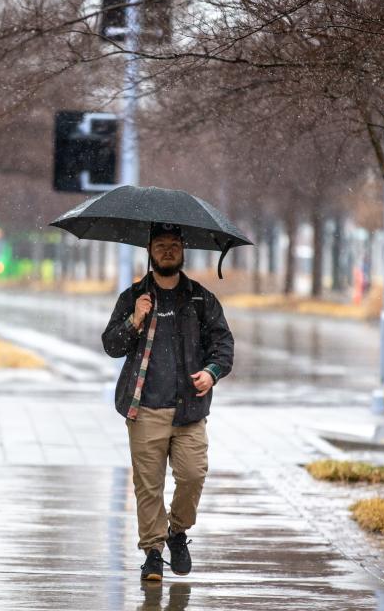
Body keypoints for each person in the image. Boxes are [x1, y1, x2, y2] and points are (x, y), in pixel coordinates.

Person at [102, 222, 234, 581]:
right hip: (144, 408)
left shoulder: (200, 299)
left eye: (173, 244)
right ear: (149, 251)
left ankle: (177, 532)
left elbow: (223, 345)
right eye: (160, 245)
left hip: (189, 410)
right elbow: (111, 345)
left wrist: (211, 371)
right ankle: (153, 552)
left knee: (192, 475)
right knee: (148, 486)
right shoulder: (133, 297)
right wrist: (135, 319)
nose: (167, 251)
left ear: (183, 250)